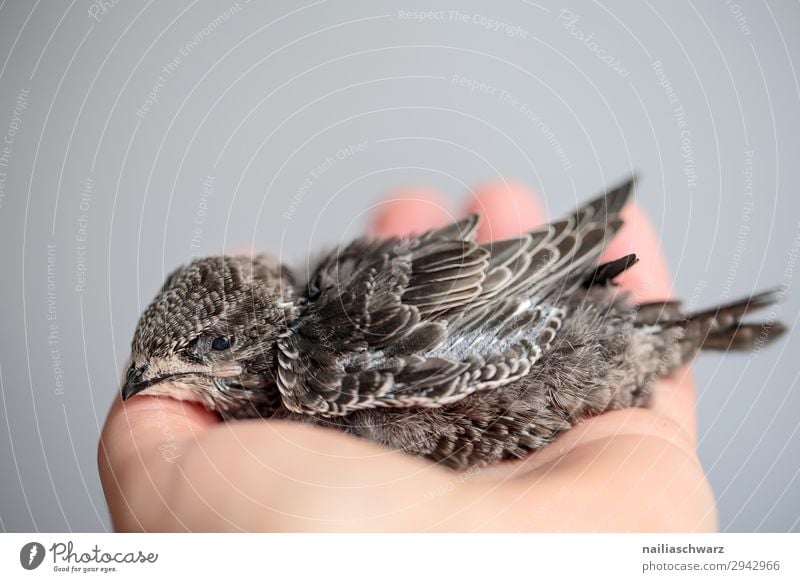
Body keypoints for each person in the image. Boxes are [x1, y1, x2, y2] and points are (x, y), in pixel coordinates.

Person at [98, 181, 716, 531]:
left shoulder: (310, 361)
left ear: (256, 332)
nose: (145, 379)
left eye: (216, 348)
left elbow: (483, 338)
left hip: (571, 345)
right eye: (147, 363)